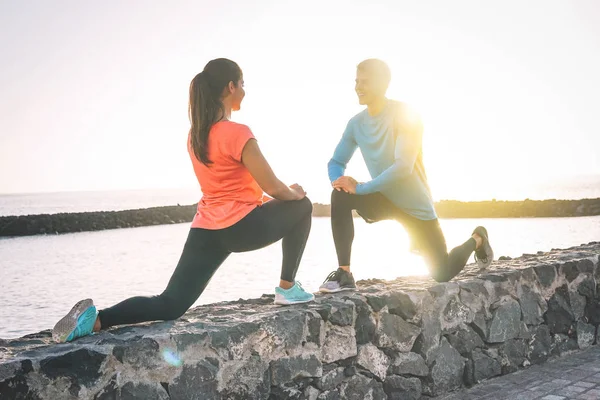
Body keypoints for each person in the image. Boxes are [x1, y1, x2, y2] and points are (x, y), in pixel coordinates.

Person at [52, 58, 314, 343]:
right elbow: (272, 186)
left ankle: (97, 319)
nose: (244, 90)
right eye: (242, 84)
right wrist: (295, 193)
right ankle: (287, 288)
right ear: (230, 86)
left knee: (170, 304)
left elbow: (227, 185)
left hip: (205, 230)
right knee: (303, 206)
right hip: (241, 227)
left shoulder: (196, 136)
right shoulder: (238, 132)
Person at [319, 59, 494, 293]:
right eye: (356, 81)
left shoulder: (405, 115)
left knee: (441, 273)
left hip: (415, 208)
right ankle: (344, 273)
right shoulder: (356, 124)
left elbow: (403, 168)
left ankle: (478, 239)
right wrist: (338, 180)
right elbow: (336, 162)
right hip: (382, 199)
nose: (358, 87)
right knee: (339, 195)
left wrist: (360, 188)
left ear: (383, 84)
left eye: (365, 82)